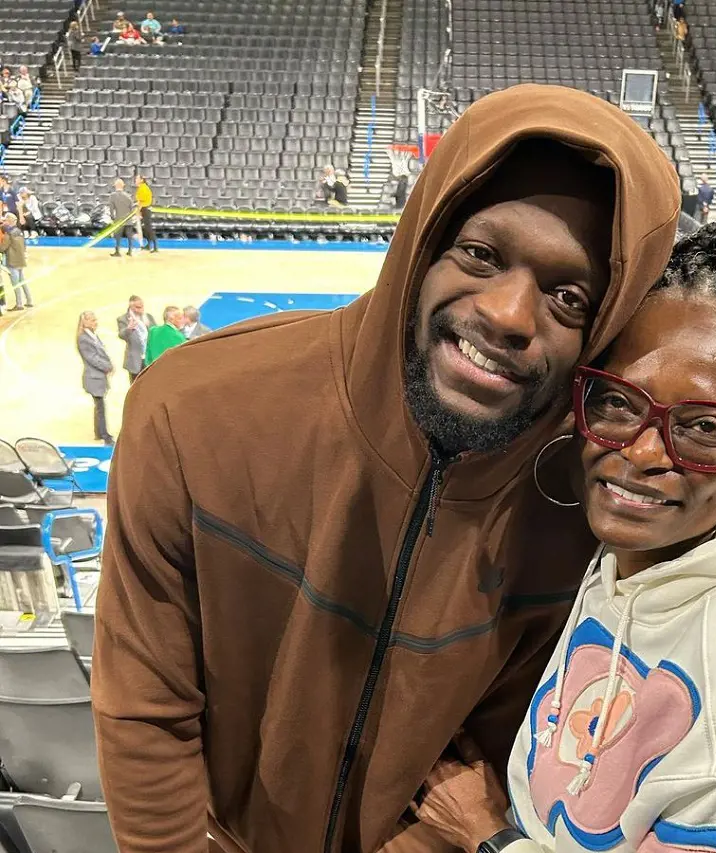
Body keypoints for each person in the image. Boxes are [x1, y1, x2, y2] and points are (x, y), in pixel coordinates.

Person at [91, 83, 681, 853]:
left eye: (568, 297)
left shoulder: (585, 513)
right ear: (422, 242)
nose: (506, 314)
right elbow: (144, 708)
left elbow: (494, 764)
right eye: (480, 254)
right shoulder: (193, 410)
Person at [409, 224, 716, 853]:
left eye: (702, 427)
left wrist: (488, 836)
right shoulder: (644, 554)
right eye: (616, 404)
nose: (643, 452)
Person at [77, 311, 116, 445]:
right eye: (93, 320)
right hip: (93, 377)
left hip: (98, 376)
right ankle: (105, 435)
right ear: (85, 322)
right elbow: (92, 358)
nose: (96, 323)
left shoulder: (92, 335)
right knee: (100, 406)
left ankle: (99, 432)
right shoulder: (83, 338)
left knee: (99, 406)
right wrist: (107, 366)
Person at [116, 295, 155, 382]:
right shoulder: (123, 319)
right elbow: (121, 335)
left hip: (149, 357)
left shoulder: (148, 317)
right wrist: (128, 329)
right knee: (135, 386)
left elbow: (155, 333)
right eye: (138, 307)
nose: (141, 309)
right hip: (135, 359)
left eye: (142, 307)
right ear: (131, 306)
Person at [0, 213, 31, 310]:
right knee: (22, 281)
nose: (4, 222)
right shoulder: (19, 231)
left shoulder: (9, 234)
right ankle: (29, 300)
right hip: (20, 259)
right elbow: (24, 246)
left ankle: (19, 304)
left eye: (5, 220)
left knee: (16, 283)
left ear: (9, 221)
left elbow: (3, 247)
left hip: (12, 261)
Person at [109, 178, 135, 256]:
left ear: (116, 186)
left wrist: (112, 217)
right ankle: (130, 251)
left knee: (118, 236)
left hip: (119, 219)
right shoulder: (128, 196)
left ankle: (117, 251)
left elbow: (111, 209)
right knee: (129, 236)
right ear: (123, 186)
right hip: (128, 219)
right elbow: (132, 209)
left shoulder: (112, 196)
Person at [134, 174, 157, 252]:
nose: (135, 180)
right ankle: (149, 245)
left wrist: (138, 211)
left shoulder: (143, 188)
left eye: (137, 179)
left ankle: (155, 246)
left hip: (145, 209)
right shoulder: (142, 188)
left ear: (141, 180)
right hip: (144, 209)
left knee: (148, 228)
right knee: (146, 228)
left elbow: (141, 202)